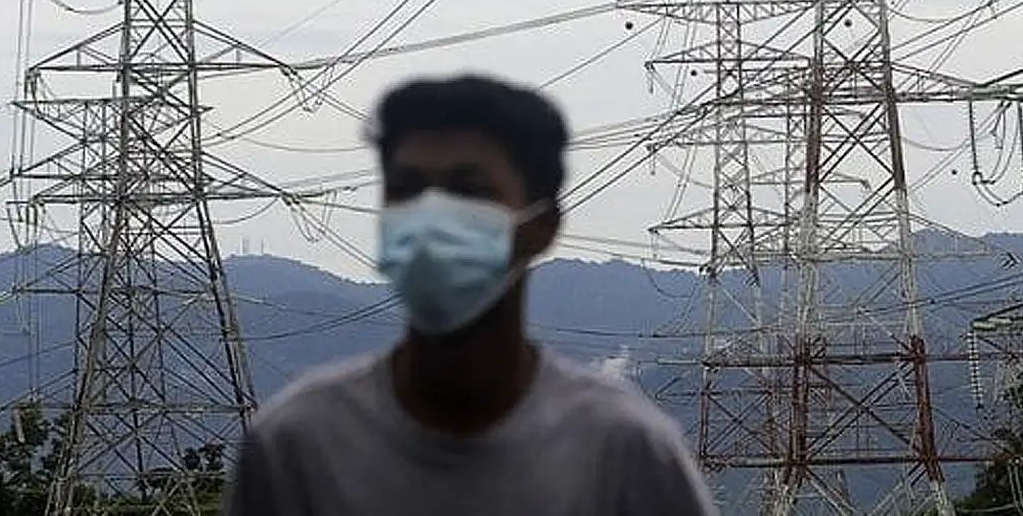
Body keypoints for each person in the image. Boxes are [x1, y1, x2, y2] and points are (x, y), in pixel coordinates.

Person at [224, 75, 717, 515]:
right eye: (407, 189)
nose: (431, 216)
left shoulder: (625, 452)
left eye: (468, 190)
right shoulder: (296, 447)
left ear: (542, 226)